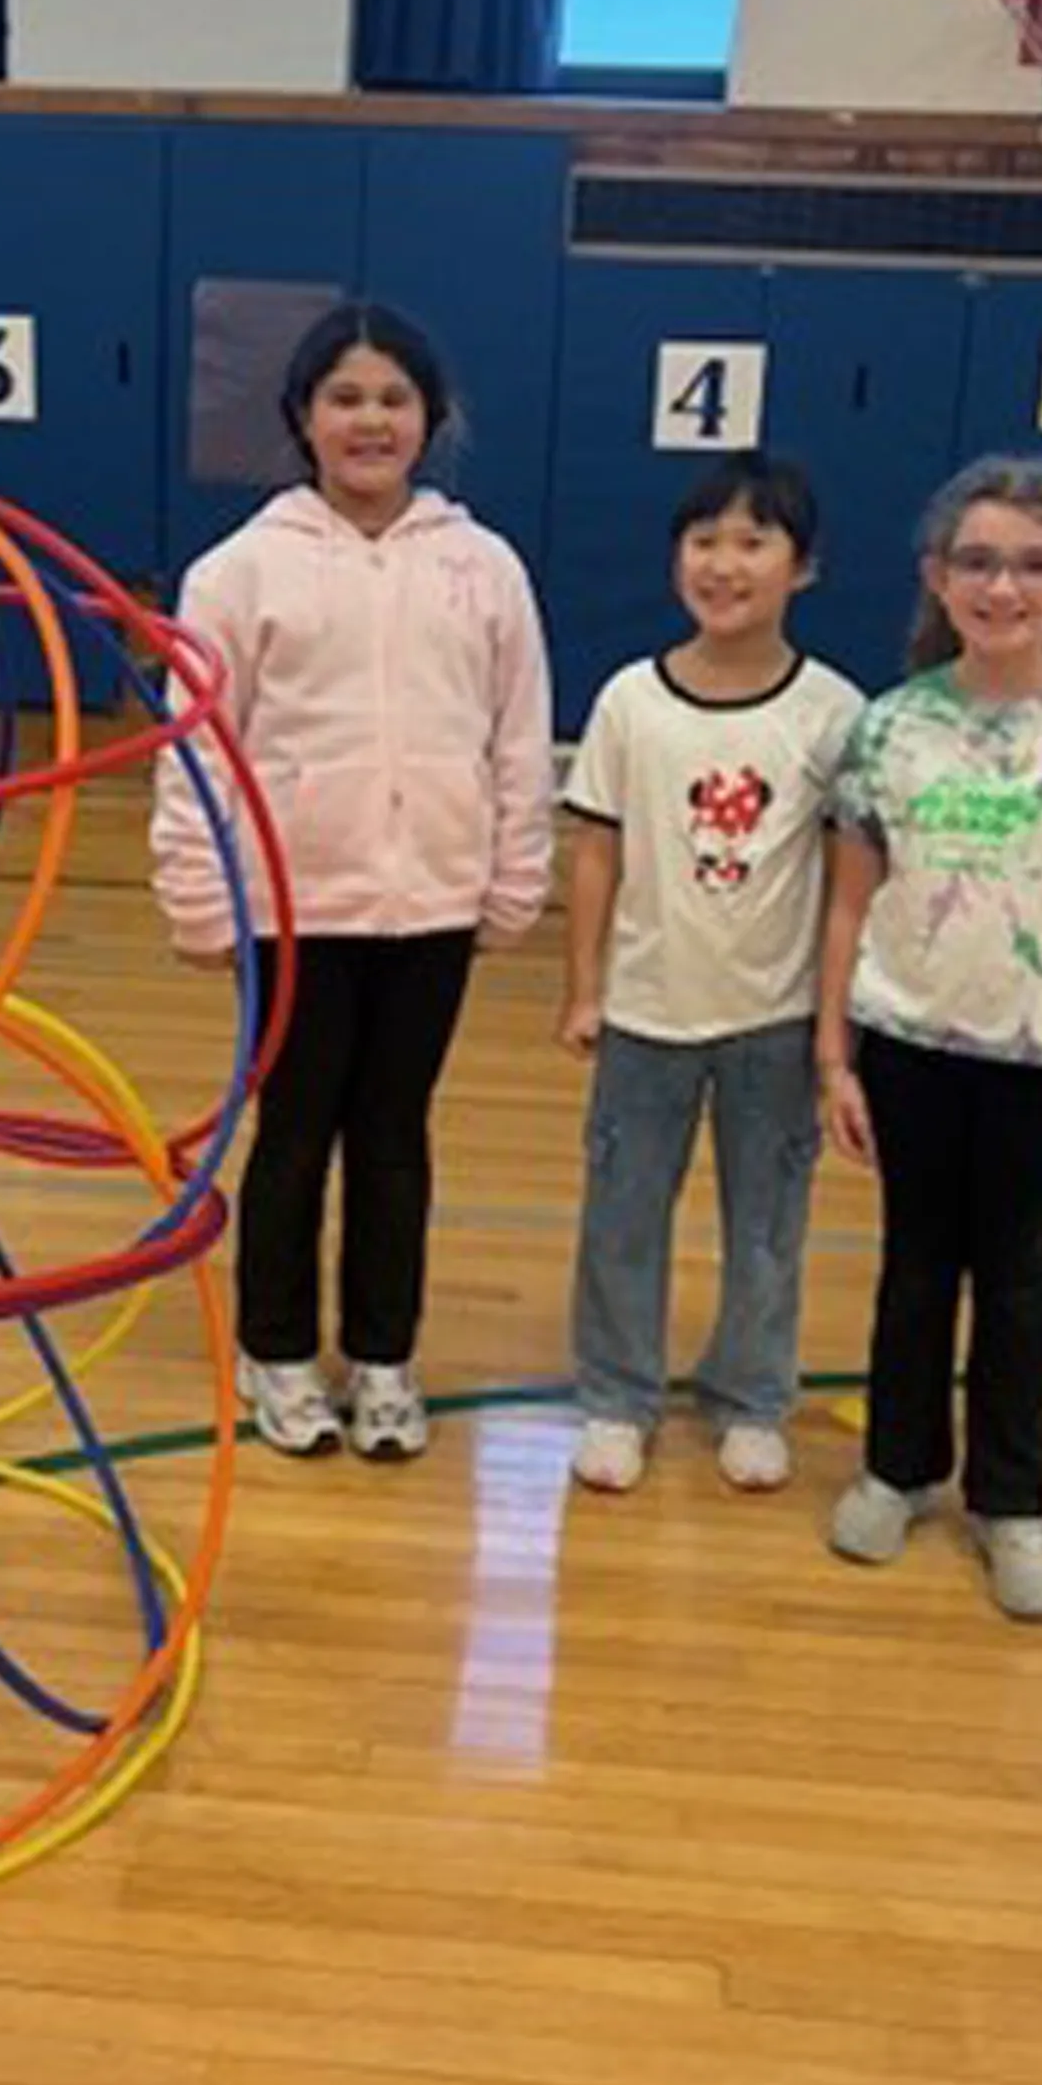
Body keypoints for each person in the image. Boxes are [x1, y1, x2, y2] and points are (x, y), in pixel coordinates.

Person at [150, 301, 553, 1459]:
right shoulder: (238, 572)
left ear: (430, 418)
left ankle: (384, 1357)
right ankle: (276, 1352)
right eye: (345, 398)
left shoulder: (485, 568)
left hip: (432, 909)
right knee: (294, 1136)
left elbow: (519, 736)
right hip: (295, 911)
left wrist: (512, 880)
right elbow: (198, 747)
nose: (370, 421)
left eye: (393, 399)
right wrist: (199, 895)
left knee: (394, 1139)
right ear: (302, 417)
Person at [818, 455, 1042, 1622]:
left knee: (1017, 1284)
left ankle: (1013, 1503)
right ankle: (897, 1468)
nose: (1003, 587)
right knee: (914, 1269)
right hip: (910, 1046)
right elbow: (848, 906)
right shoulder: (889, 729)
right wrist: (834, 1057)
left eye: (1035, 565)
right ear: (938, 578)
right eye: (977, 562)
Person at [559, 452, 861, 1494]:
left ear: (802, 567)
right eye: (704, 541)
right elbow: (595, 851)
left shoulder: (833, 713)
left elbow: (848, 881)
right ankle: (616, 1395)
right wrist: (586, 987)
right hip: (646, 1015)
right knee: (622, 1215)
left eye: (752, 542)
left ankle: (752, 1396)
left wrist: (835, 1026)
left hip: (775, 1021)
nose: (724, 564)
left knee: (768, 1223)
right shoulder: (630, 701)